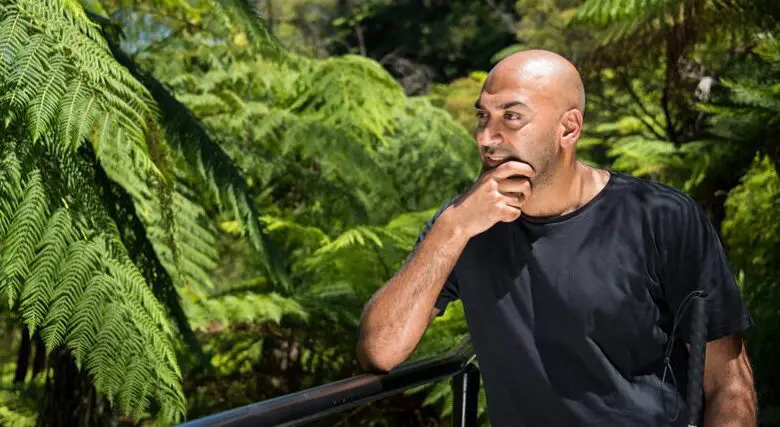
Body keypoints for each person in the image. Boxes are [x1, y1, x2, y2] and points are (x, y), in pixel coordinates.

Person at [355, 49, 757, 426]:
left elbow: (728, 382)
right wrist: (453, 228)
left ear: (568, 128)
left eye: (511, 118)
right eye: (483, 117)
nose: (485, 137)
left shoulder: (660, 217)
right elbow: (380, 350)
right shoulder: (465, 225)